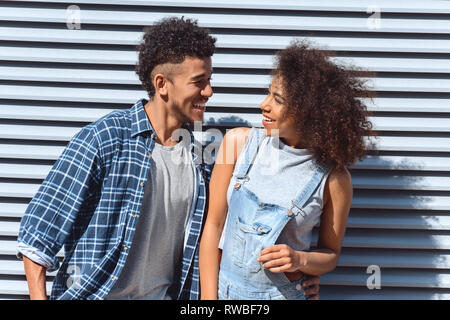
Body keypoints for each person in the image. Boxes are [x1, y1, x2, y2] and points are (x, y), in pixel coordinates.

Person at [15, 16, 322, 301]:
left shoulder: (202, 158)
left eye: (209, 79)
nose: (209, 91)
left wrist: (297, 273)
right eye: (199, 81)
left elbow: (232, 236)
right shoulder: (106, 138)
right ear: (162, 84)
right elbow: (37, 241)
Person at [199, 40, 374, 300]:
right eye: (268, 93)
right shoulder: (238, 143)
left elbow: (330, 255)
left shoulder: (334, 179)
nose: (264, 104)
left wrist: (299, 259)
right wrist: (208, 300)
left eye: (277, 99)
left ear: (308, 111)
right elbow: (213, 226)